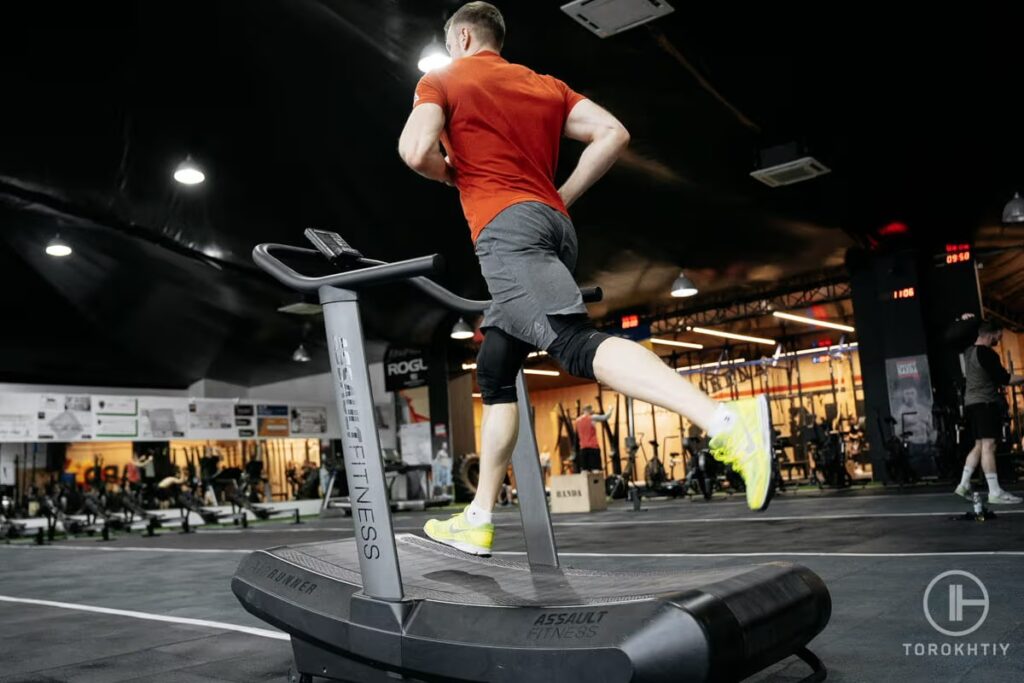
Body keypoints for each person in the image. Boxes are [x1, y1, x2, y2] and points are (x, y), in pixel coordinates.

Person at [399, 2, 774, 556]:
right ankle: (478, 517)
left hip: (507, 231)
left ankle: (723, 420)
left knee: (572, 344)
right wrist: (562, 195)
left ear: (459, 36)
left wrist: (450, 173)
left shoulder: (442, 79)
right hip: (553, 226)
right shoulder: (545, 85)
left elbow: (413, 150)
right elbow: (612, 134)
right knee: (498, 368)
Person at [955, 321, 1024, 504]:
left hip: (972, 404)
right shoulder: (986, 353)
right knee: (989, 445)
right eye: (998, 337)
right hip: (985, 404)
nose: (999, 341)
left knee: (979, 445)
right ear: (991, 334)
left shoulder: (969, 351)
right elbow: (1005, 379)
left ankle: (962, 485)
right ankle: (995, 492)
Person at [574, 404, 613, 472]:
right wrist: (610, 409)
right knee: (595, 470)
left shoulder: (577, 420)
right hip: (593, 448)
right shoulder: (592, 418)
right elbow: (605, 417)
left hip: (583, 449)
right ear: (590, 411)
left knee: (584, 471)